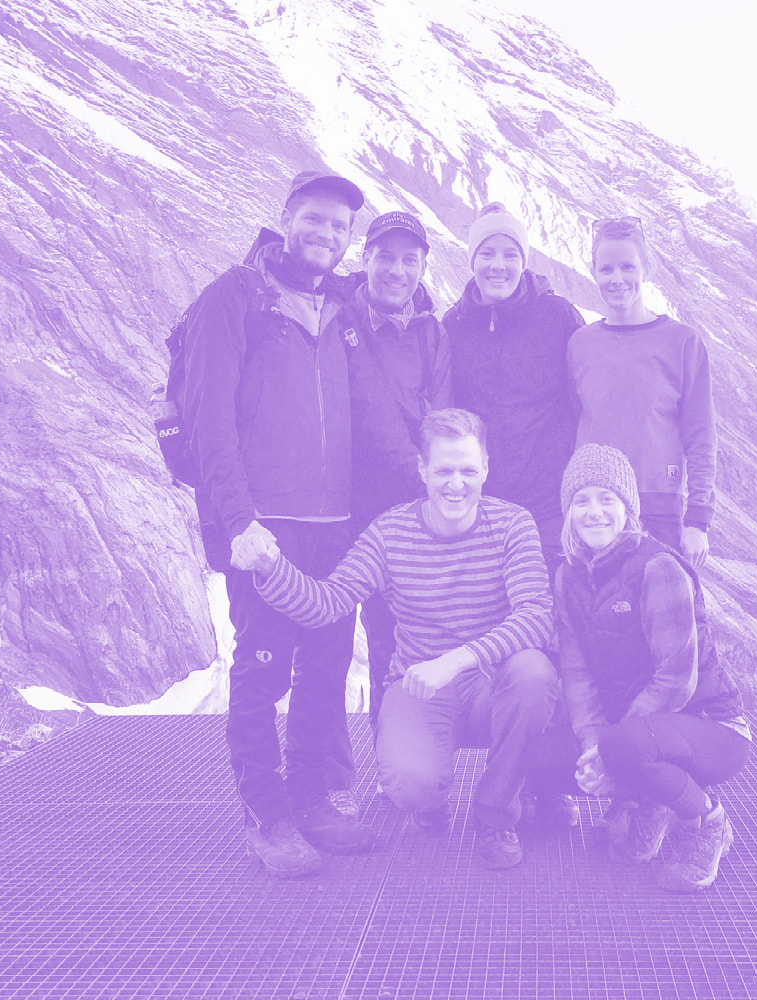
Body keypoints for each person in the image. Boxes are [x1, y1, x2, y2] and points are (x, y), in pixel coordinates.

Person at [232, 409, 559, 870]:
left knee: (533, 673)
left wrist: (457, 660)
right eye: (444, 470)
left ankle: (495, 811)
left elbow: (535, 617)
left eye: (468, 470)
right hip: (421, 689)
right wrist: (270, 569)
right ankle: (430, 800)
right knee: (410, 784)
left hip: (492, 686)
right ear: (422, 470)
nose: (456, 484)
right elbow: (327, 603)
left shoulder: (513, 525)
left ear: (486, 467)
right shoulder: (390, 533)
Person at [181, 171, 375, 877]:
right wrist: (239, 521)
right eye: (315, 220)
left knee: (324, 668)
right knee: (262, 671)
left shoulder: (340, 305)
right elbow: (209, 422)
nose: (326, 235)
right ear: (286, 218)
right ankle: (267, 815)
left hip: (334, 526)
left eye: (339, 227)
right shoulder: (234, 298)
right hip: (265, 529)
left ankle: (312, 798)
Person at [529, 443, 751, 892]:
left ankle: (708, 822)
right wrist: (594, 746)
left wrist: (610, 751)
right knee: (543, 757)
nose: (594, 512)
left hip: (711, 727)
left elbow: (676, 680)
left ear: (627, 507)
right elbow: (578, 676)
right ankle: (653, 800)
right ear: (568, 511)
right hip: (638, 732)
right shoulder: (568, 577)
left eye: (606, 499)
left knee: (628, 745)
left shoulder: (658, 567)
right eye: (581, 501)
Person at [333, 211, 451, 726]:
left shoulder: (432, 336)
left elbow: (443, 423)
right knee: (326, 645)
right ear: (366, 258)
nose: (396, 270)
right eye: (386, 257)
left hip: (401, 515)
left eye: (409, 259)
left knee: (392, 640)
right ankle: (326, 771)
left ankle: (391, 757)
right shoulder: (335, 319)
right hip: (336, 508)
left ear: (423, 266)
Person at [569, 216, 717, 570]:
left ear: (646, 268)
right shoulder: (580, 344)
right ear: (594, 271)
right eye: (606, 269)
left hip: (660, 511)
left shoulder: (682, 342)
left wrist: (697, 521)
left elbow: (700, 436)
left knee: (663, 616)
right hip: (595, 513)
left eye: (627, 267)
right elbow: (576, 424)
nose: (617, 279)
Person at [444, 202, 583, 576]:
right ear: (472, 260)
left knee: (548, 619)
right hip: (482, 511)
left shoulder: (557, 317)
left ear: (524, 261)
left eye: (510, 254)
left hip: (550, 509)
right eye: (487, 253)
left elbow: (584, 405)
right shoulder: (454, 326)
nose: (498, 265)